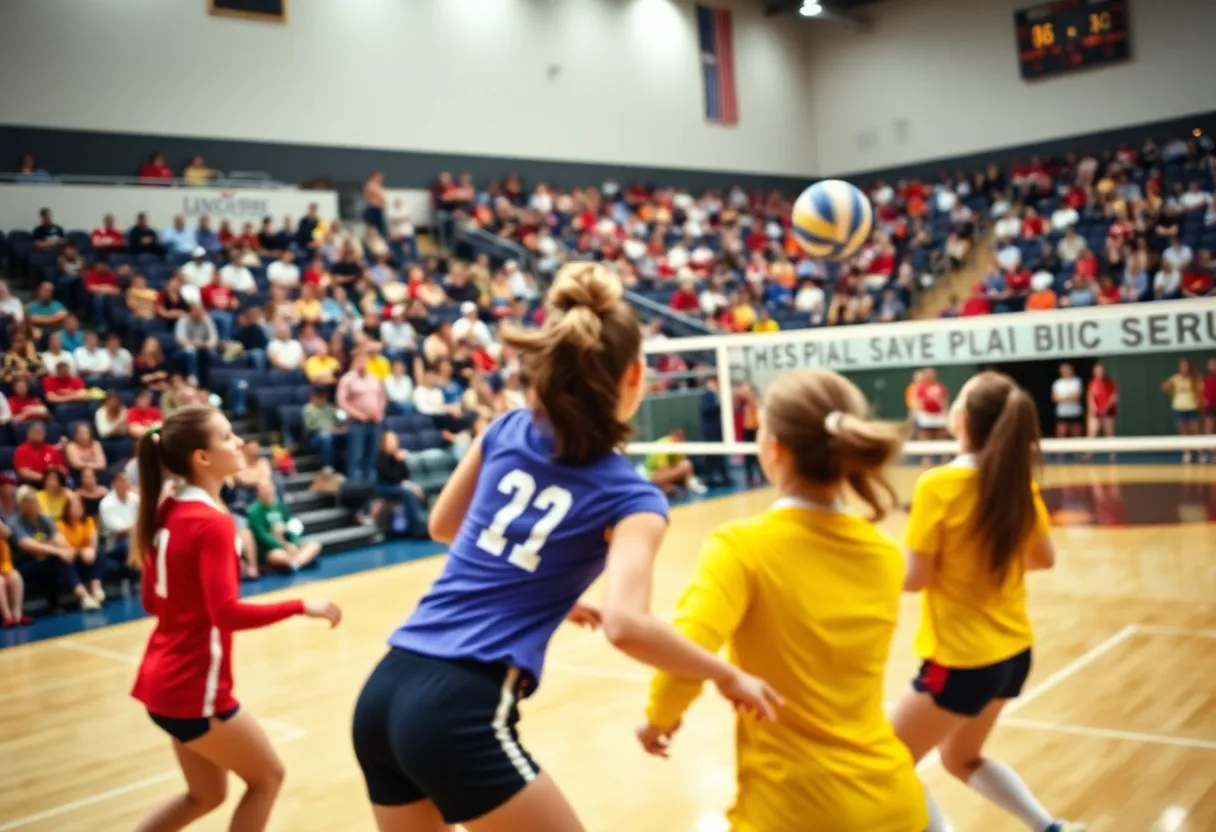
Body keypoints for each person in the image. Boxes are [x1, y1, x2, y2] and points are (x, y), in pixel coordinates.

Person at [351, 263, 780, 832]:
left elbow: (445, 525)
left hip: (385, 690)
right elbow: (627, 625)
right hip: (458, 707)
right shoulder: (632, 496)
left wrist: (543, 584)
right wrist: (725, 675)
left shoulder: (504, 429)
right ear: (634, 378)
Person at [640, 367, 933, 831]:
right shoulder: (884, 555)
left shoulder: (741, 547)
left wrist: (657, 720)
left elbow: (689, 650)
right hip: (895, 804)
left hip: (794, 811)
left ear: (773, 447)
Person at [129, 405, 341, 832]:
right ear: (202, 458)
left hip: (161, 679)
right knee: (268, 779)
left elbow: (153, 601)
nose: (240, 444)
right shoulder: (212, 523)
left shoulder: (169, 507)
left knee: (206, 795)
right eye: (227, 438)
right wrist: (300, 606)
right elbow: (225, 614)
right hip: (194, 688)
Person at [891, 371, 1085, 832]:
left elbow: (914, 579)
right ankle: (1050, 828)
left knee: (888, 762)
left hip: (961, 660)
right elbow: (1043, 558)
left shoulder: (937, 486)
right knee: (962, 757)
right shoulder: (1016, 484)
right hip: (1013, 655)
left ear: (963, 419)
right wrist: (983, 560)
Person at [1162, 358, 1201, 463]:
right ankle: (1186, 453)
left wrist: (1199, 400)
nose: (1184, 368)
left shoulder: (1194, 378)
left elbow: (1200, 390)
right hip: (1179, 407)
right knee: (1183, 430)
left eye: (1186, 365)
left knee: (1195, 429)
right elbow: (1165, 386)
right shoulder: (1176, 378)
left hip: (1192, 406)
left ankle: (1199, 452)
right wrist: (1172, 394)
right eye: (1182, 366)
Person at [1051, 363, 1084, 441]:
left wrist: (1063, 398)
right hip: (1062, 413)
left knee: (1077, 434)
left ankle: (1078, 452)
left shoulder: (1077, 381)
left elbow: (1078, 396)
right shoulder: (1057, 383)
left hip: (1075, 412)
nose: (1065, 372)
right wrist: (1069, 397)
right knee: (1061, 434)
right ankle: (1060, 453)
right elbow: (1054, 398)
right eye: (1063, 370)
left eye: (1067, 370)